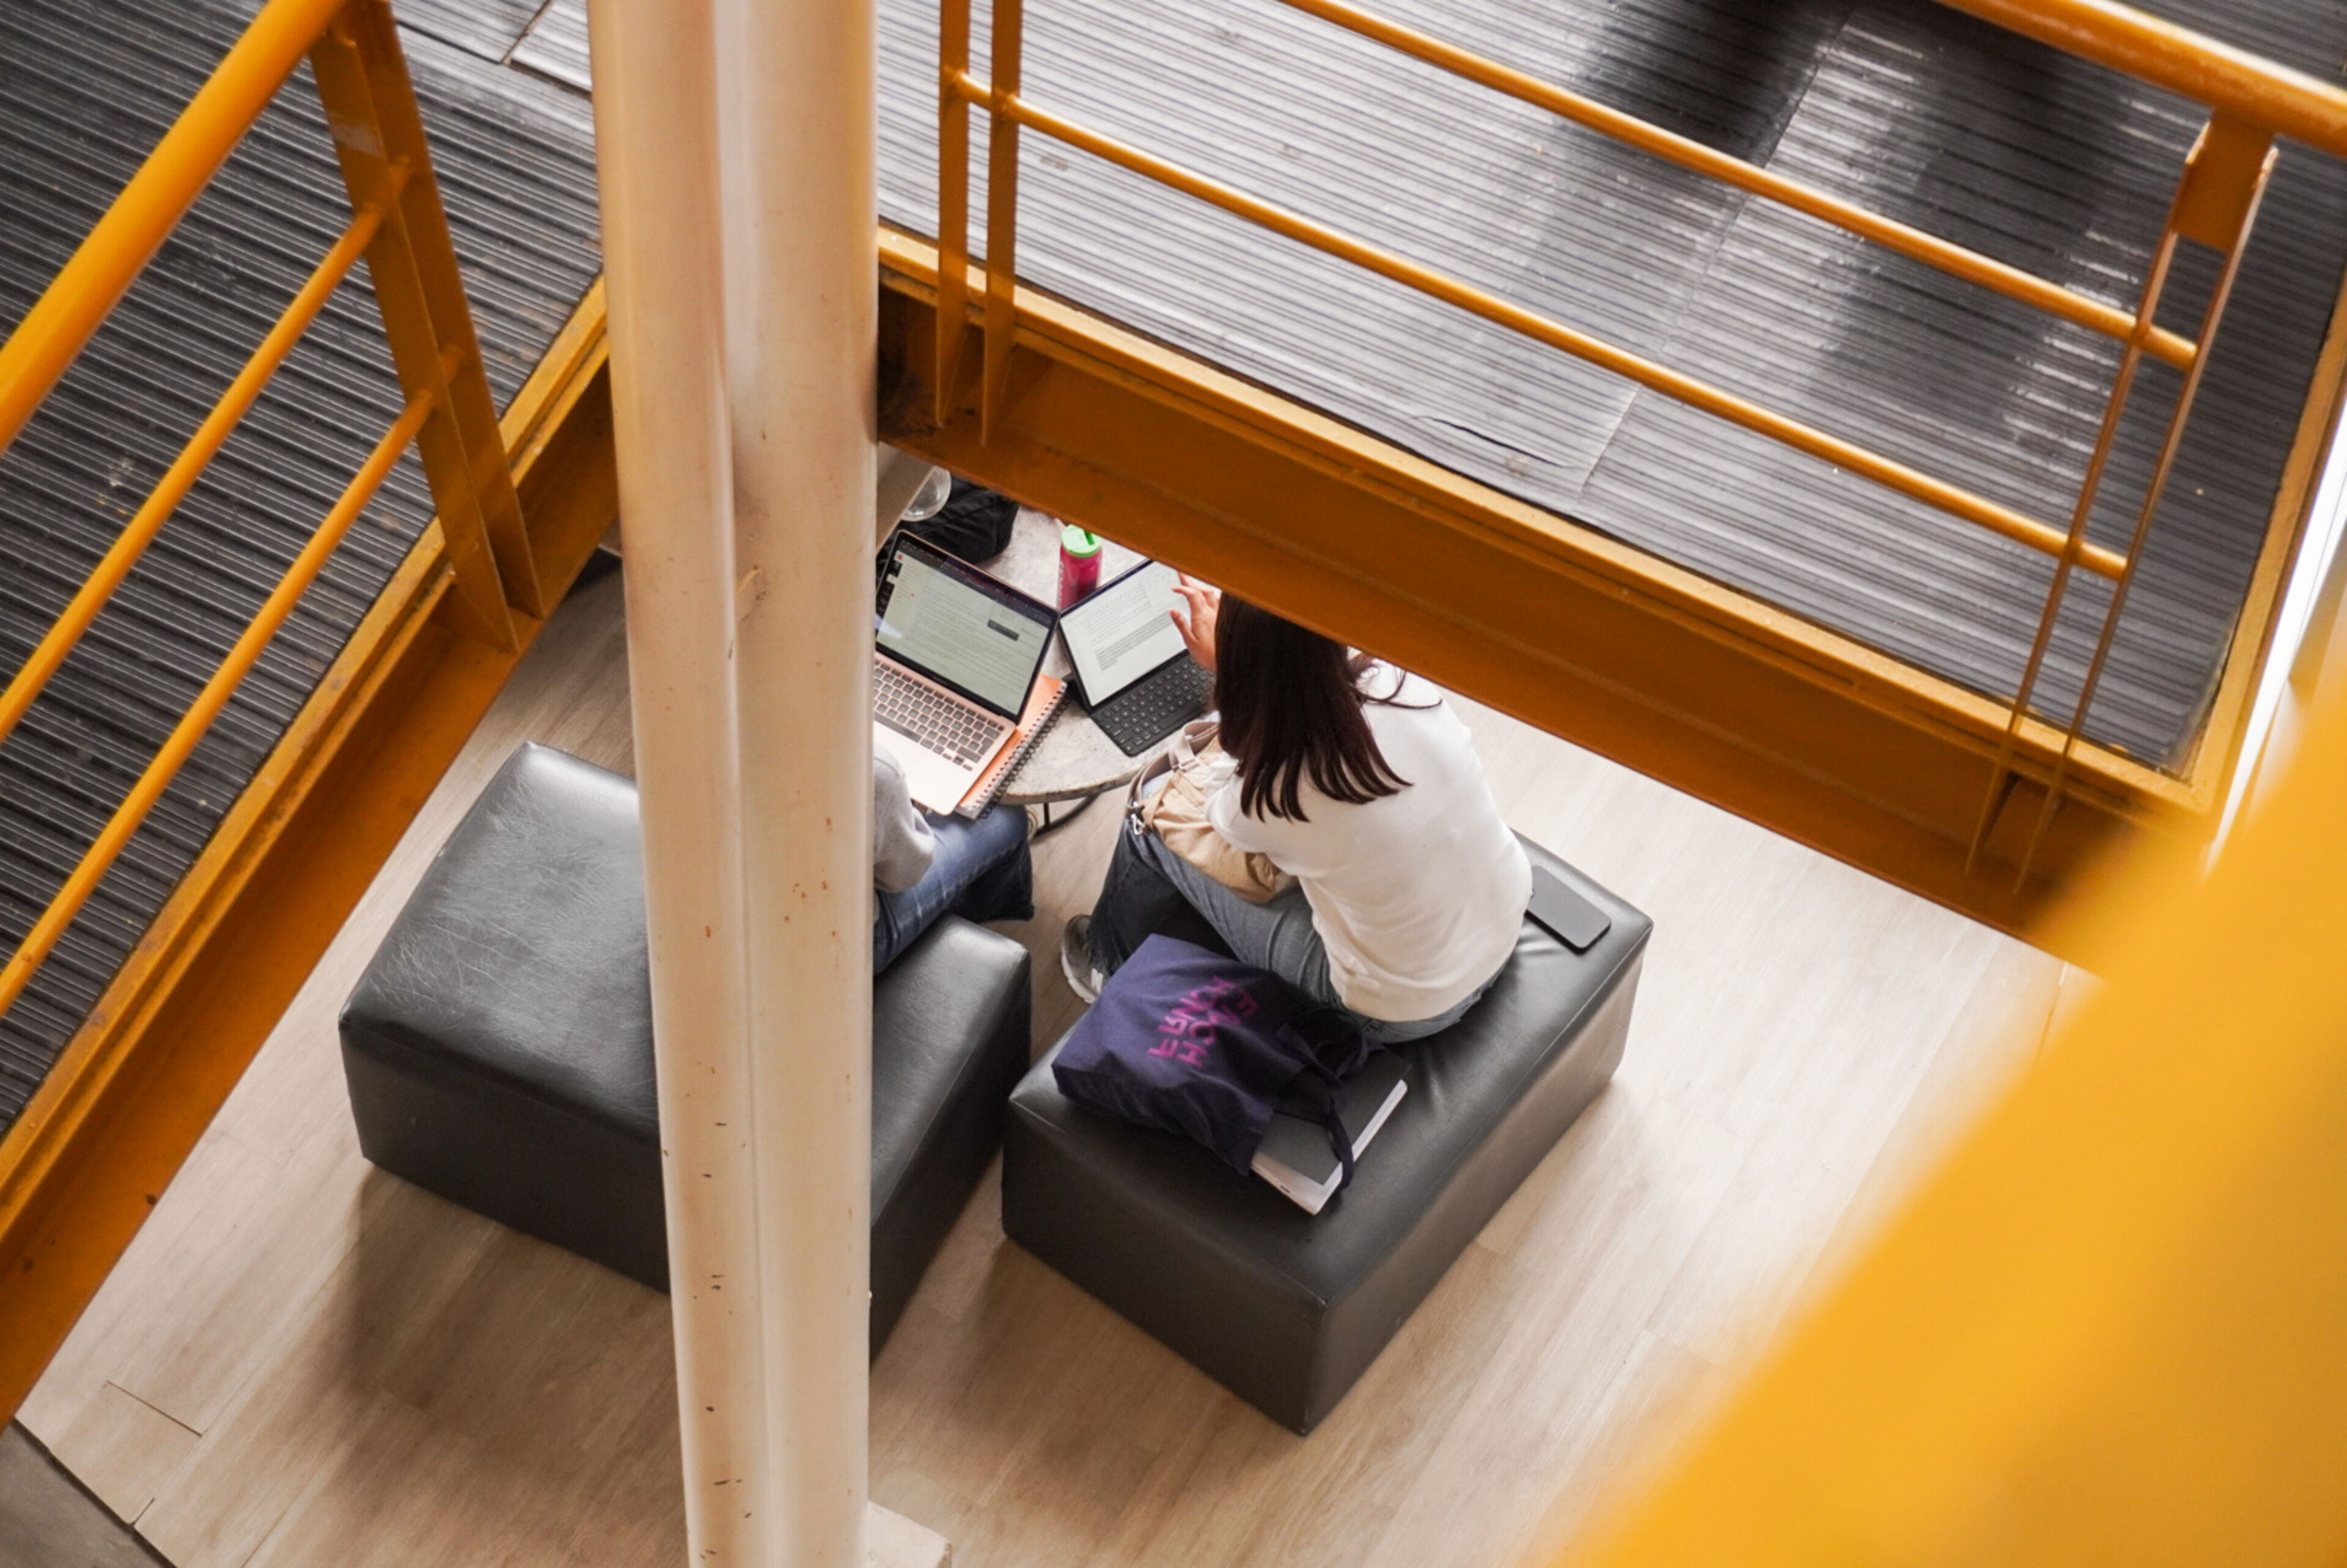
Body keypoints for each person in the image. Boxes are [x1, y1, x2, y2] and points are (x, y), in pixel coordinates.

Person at [1065, 581, 1529, 1044]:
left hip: (1408, 1008)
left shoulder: (1268, 794)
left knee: (1148, 810)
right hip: (1505, 915)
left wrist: (1229, 679)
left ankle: (1102, 964)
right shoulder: (1402, 682)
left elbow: (1218, 807)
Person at [872, 749, 1033, 972]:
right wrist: (897, 806)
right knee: (1006, 815)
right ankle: (972, 913)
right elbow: (907, 874)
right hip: (855, 943)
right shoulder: (875, 770)